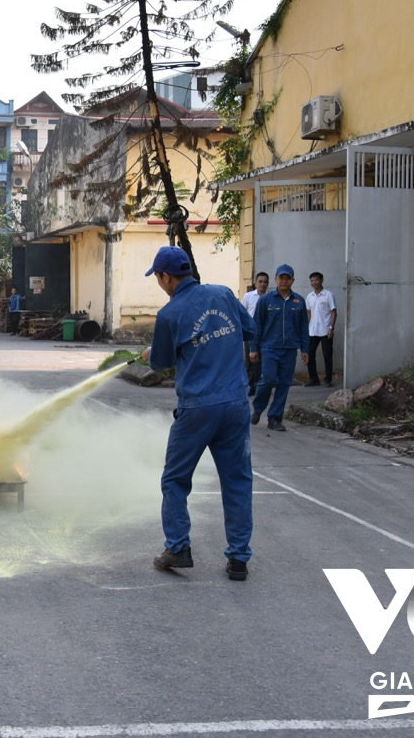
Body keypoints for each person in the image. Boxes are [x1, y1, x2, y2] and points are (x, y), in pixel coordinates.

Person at [143, 246, 257, 582]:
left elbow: (161, 363)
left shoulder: (170, 314)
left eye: (159, 278)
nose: (159, 284)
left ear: (166, 277)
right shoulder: (223, 294)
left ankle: (178, 547)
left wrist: (156, 351)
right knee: (237, 481)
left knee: (175, 479)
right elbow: (248, 330)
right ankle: (238, 559)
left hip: (197, 409)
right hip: (236, 405)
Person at [249, 264, 309, 432]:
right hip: (269, 347)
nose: (284, 281)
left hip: (290, 349)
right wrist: (254, 348)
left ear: (293, 280)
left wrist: (305, 349)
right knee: (268, 379)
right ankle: (258, 409)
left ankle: (275, 418)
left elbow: (304, 327)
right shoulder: (265, 300)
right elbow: (256, 325)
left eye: (287, 278)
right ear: (275, 279)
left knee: (284, 383)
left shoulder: (299, 301)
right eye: (281, 278)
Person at [305, 271, 338, 388]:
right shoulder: (309, 296)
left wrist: (331, 328)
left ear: (321, 280)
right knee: (309, 355)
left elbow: (333, 312)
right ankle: (314, 379)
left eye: (316, 280)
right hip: (312, 330)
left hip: (325, 330)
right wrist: (306, 328)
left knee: (327, 355)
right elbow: (308, 313)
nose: (314, 282)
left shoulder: (328, 295)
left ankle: (328, 379)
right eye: (312, 280)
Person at [241, 272, 270, 395]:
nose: (262, 284)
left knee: (262, 360)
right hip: (251, 333)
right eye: (260, 281)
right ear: (255, 282)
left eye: (265, 282)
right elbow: (242, 313)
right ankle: (249, 386)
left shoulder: (270, 297)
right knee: (250, 360)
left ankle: (259, 385)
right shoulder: (248, 296)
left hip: (265, 333)